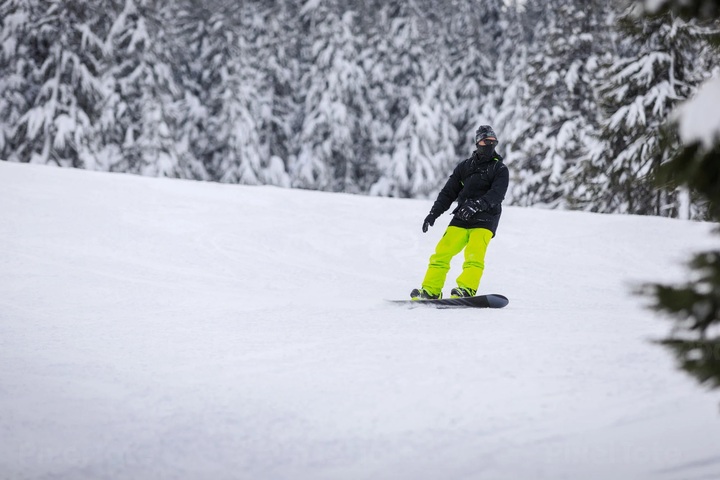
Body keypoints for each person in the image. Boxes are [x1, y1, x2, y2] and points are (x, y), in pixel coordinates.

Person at [411, 125, 509, 299]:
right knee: (441, 252)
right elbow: (448, 192)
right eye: (487, 141)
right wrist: (434, 213)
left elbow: (497, 194)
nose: (490, 145)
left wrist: (477, 205)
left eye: (494, 142)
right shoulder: (465, 167)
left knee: (474, 254)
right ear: (478, 142)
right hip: (462, 217)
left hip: (486, 218)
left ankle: (467, 289)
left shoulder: (499, 169)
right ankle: (431, 290)